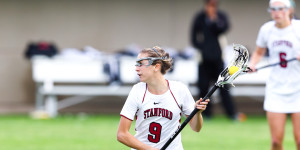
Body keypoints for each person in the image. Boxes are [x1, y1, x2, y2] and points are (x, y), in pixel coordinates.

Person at [117, 46, 210, 150]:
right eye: (136, 64)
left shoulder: (179, 89)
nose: (136, 68)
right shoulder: (137, 91)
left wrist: (197, 113)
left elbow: (196, 128)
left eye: (141, 64)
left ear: (156, 66)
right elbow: (122, 134)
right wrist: (150, 149)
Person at [248, 0, 300, 149]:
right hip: (276, 89)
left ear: (289, 10)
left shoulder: (298, 28)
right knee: (276, 141)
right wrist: (253, 64)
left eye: (280, 8)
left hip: (298, 89)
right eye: (273, 9)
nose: (276, 12)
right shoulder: (266, 29)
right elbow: (259, 52)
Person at [190, 0, 238, 120]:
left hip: (218, 59)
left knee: (223, 86)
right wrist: (203, 48)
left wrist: (213, 19)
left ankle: (231, 114)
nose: (212, 7)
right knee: (203, 87)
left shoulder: (220, 16)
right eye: (210, 5)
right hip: (204, 59)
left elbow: (224, 28)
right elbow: (193, 37)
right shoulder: (200, 17)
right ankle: (206, 114)